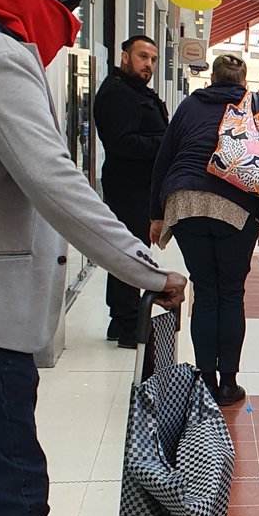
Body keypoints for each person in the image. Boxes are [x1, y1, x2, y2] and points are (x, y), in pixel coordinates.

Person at [0, 0, 186, 516]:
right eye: (60, 11)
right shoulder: (0, 58)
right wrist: (147, 269)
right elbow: (59, 185)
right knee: (14, 490)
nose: (63, 32)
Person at [150, 53, 259, 406]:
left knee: (205, 291)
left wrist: (156, 213)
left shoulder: (189, 105)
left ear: (211, 78)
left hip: (185, 201)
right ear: (243, 81)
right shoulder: (256, 103)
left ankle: (205, 382)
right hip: (235, 205)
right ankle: (228, 384)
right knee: (229, 292)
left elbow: (164, 157)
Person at [93, 33, 169, 347]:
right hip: (128, 187)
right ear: (125, 57)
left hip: (140, 186)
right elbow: (121, 142)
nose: (148, 64)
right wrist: (164, 144)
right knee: (130, 253)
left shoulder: (136, 91)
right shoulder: (117, 92)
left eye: (152, 59)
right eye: (142, 57)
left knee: (129, 250)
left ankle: (119, 319)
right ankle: (128, 326)